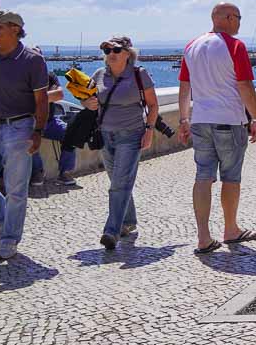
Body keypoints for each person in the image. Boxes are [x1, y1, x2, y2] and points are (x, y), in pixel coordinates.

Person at [179, 3, 256, 254]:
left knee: (203, 176)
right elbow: (245, 85)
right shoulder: (235, 46)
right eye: (238, 17)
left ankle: (203, 237)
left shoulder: (191, 46)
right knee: (231, 177)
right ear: (227, 18)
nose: (239, 23)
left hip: (200, 120)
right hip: (229, 120)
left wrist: (184, 120)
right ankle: (230, 229)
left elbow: (185, 88)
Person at [0, 11, 50, 260]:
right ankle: (0, 220)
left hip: (19, 127)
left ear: (15, 29)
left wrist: (38, 131)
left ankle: (9, 239)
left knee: (16, 188)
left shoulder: (32, 60)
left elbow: (42, 100)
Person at [88, 36, 160, 250]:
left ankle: (112, 231)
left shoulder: (139, 75)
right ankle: (128, 221)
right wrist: (87, 102)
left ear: (128, 54)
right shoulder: (99, 75)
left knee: (119, 184)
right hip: (105, 135)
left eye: (116, 50)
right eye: (107, 49)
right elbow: (89, 99)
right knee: (118, 181)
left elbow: (153, 105)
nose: (111, 53)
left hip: (131, 134)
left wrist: (149, 131)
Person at [31, 71, 78, 187]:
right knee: (26, 139)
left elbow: (59, 94)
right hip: (29, 122)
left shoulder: (49, 76)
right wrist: (47, 95)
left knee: (71, 134)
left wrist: (35, 98)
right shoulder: (23, 75)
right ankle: (38, 171)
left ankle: (65, 172)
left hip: (50, 121)